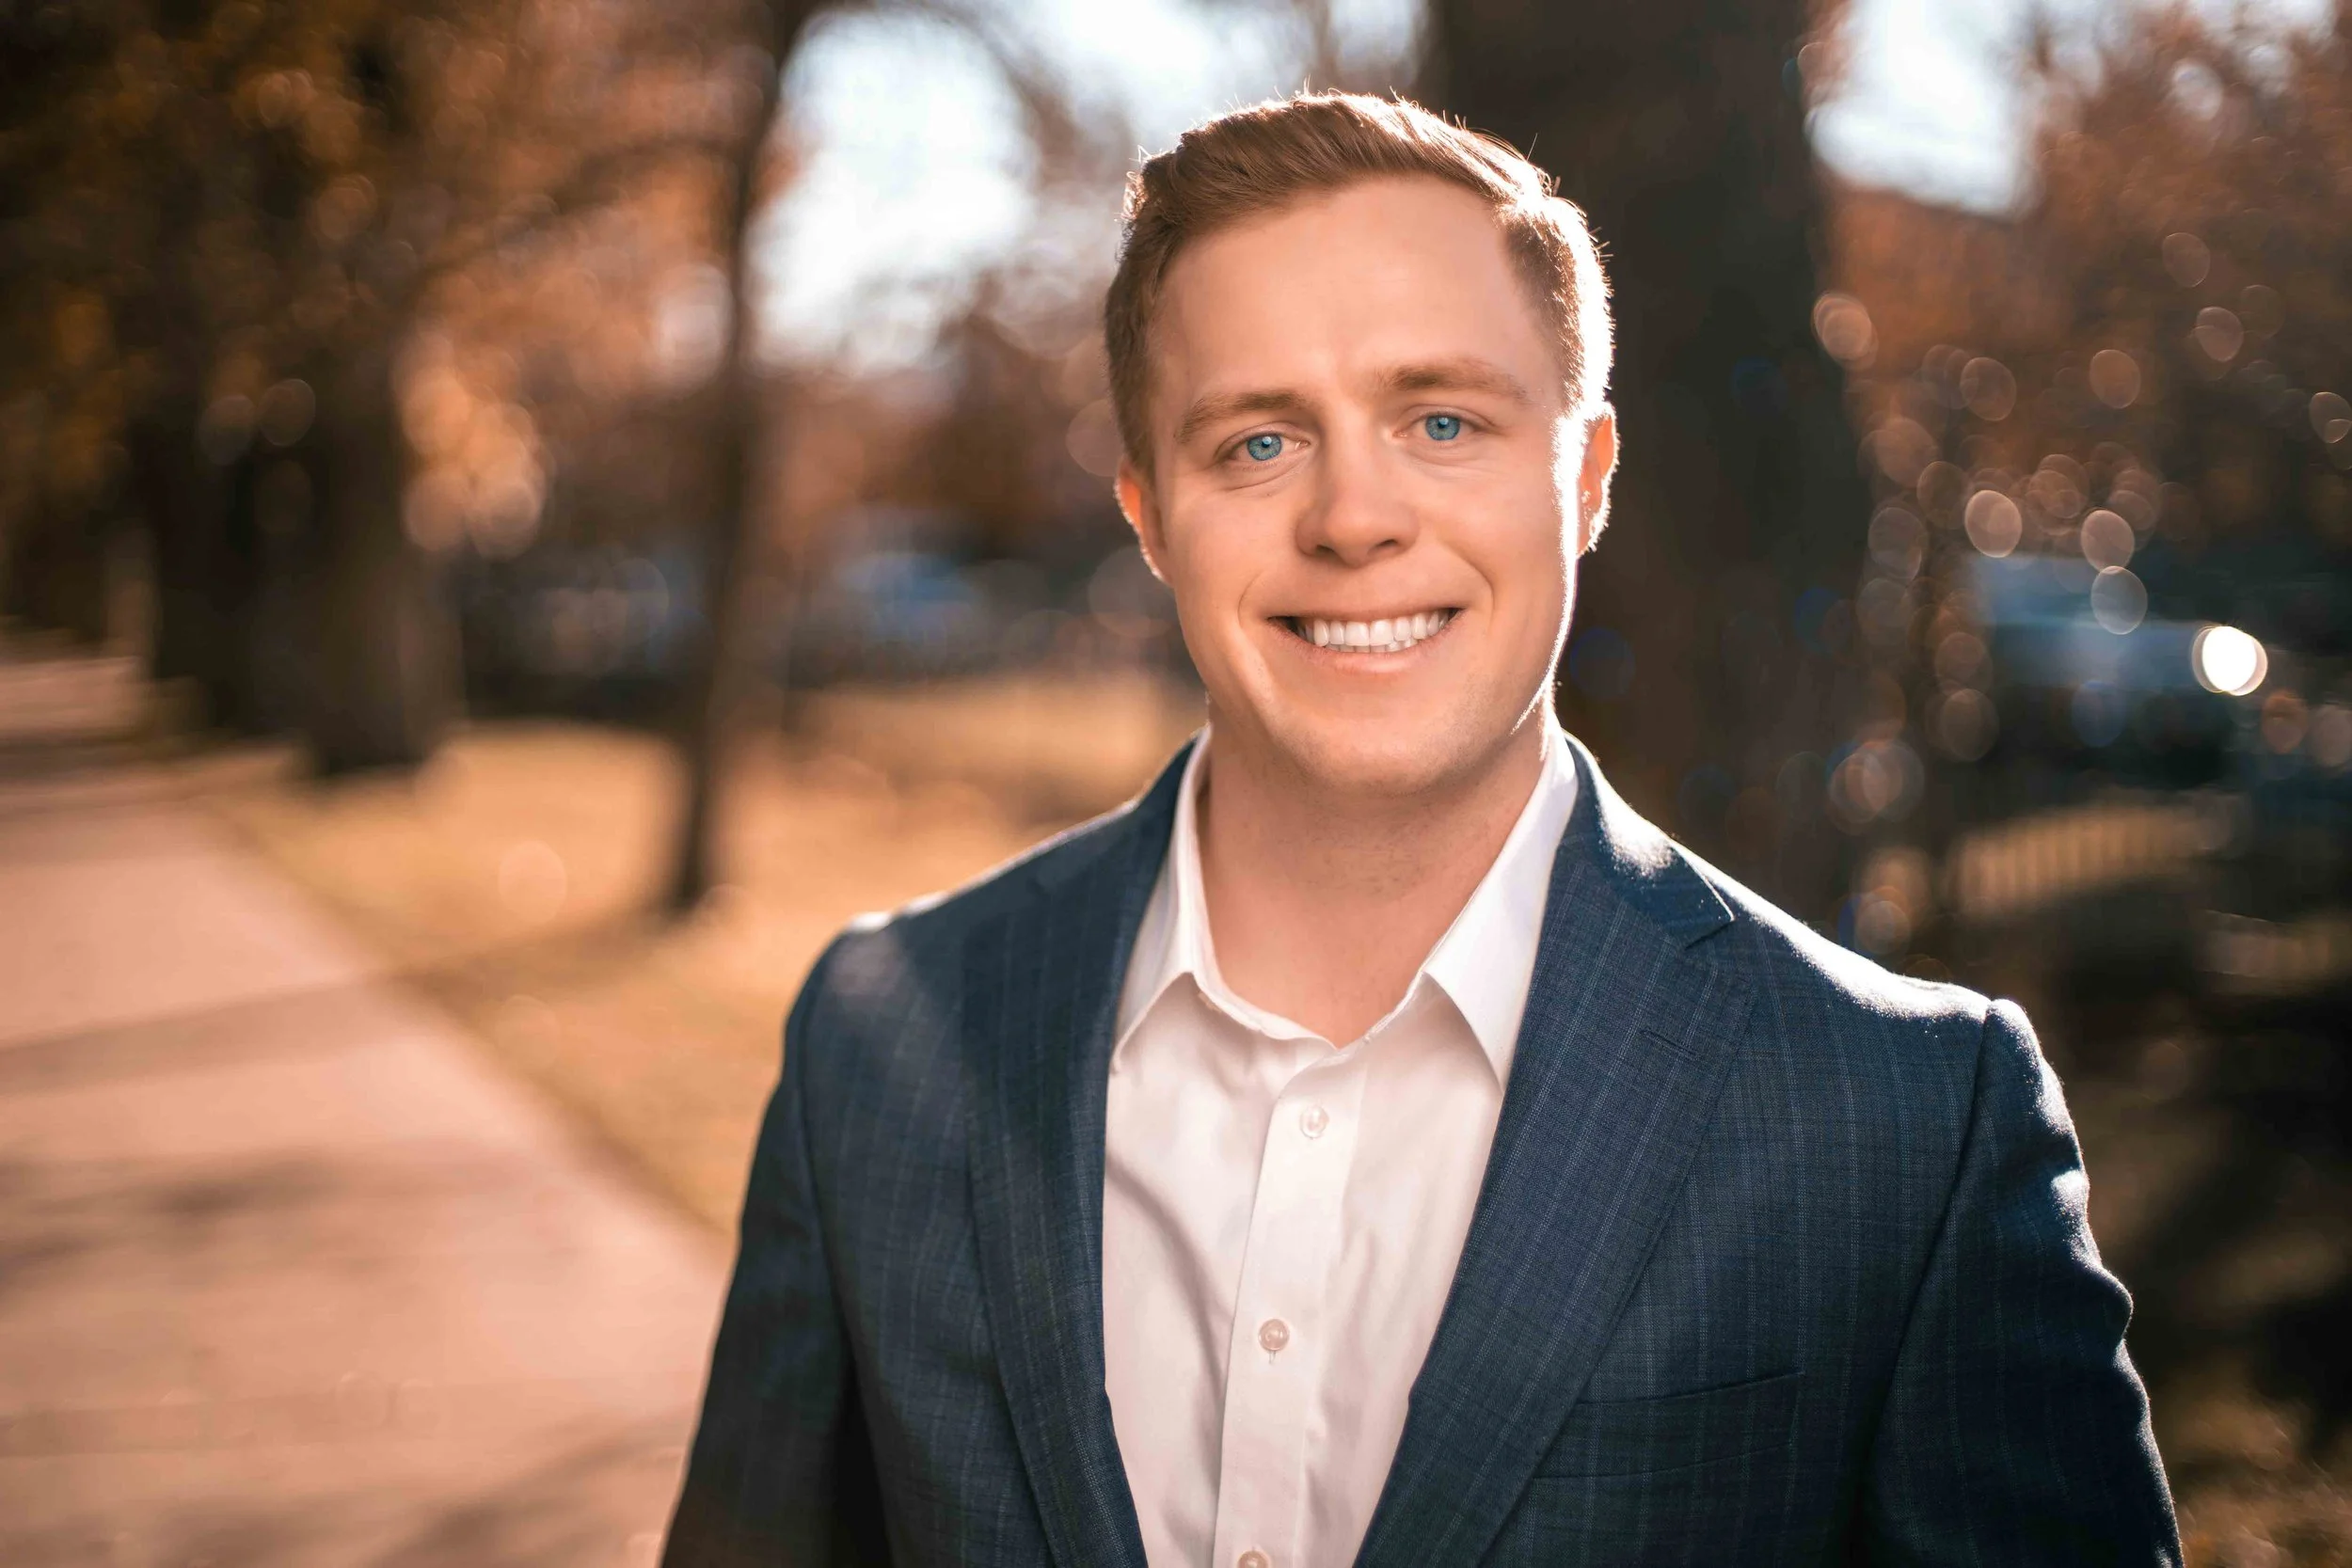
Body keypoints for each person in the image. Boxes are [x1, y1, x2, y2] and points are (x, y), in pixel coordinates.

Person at [662, 92, 2179, 1568]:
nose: (1352, 517)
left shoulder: (1909, 1122)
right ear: (1145, 512)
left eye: (1441, 418)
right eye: (1257, 443)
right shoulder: (879, 1041)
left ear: (1582, 479)